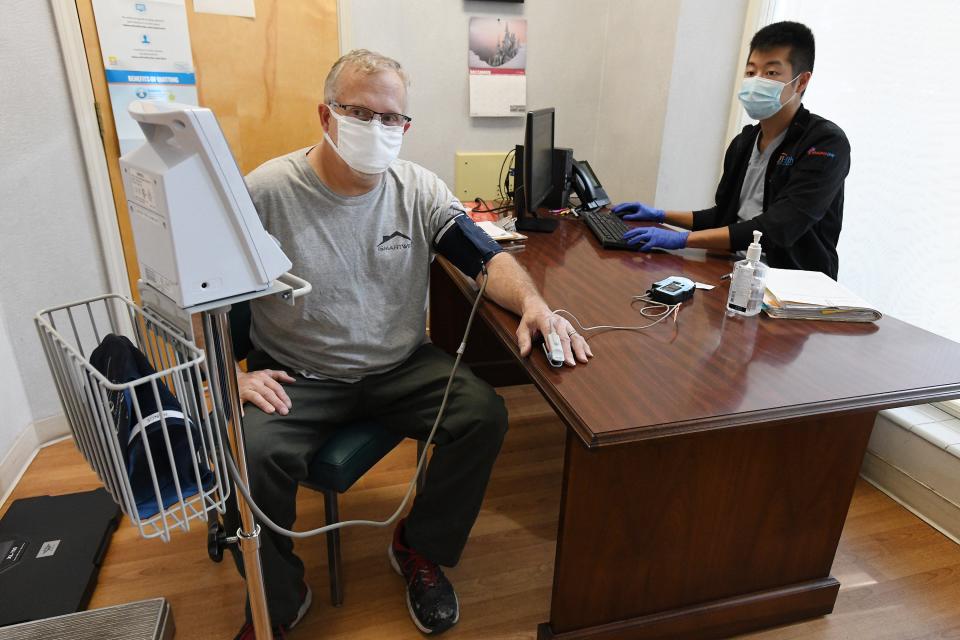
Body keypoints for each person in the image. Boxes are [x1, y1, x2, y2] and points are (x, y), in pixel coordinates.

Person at [228, 49, 593, 639]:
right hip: (300, 373)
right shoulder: (264, 193)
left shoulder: (417, 189)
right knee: (254, 451)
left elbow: (484, 257)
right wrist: (229, 376)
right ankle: (278, 596)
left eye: (391, 117)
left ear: (406, 126)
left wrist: (532, 303)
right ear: (326, 116)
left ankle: (418, 546)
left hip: (398, 364)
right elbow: (203, 296)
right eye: (360, 113)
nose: (378, 129)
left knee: (483, 414)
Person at [613, 21, 850, 279]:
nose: (756, 81)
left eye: (771, 73)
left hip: (792, 289)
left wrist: (682, 239)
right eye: (751, 72)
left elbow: (777, 228)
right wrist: (659, 214)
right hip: (732, 271)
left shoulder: (825, 143)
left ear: (801, 81)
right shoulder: (744, 142)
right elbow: (726, 218)